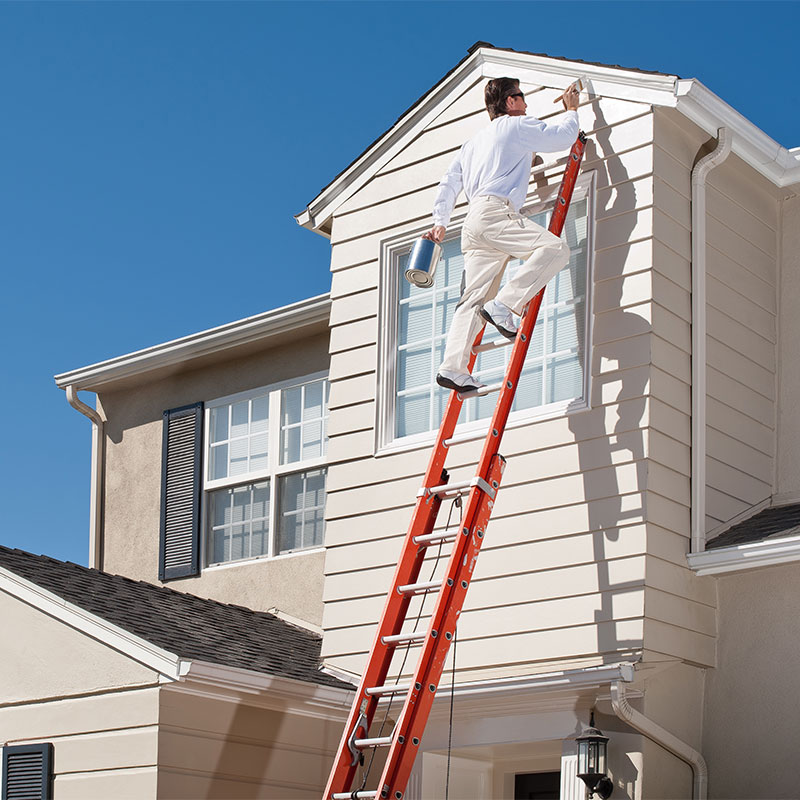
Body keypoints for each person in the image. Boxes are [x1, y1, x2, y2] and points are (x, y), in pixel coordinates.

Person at [423, 77, 581, 393]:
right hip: (496, 213)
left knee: (472, 299)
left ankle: (452, 367)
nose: (526, 103)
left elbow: (449, 183)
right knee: (555, 250)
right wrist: (572, 110)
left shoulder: (472, 144)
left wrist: (440, 221)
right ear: (510, 102)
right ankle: (506, 305)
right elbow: (563, 136)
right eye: (522, 97)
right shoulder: (516, 126)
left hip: (473, 222)